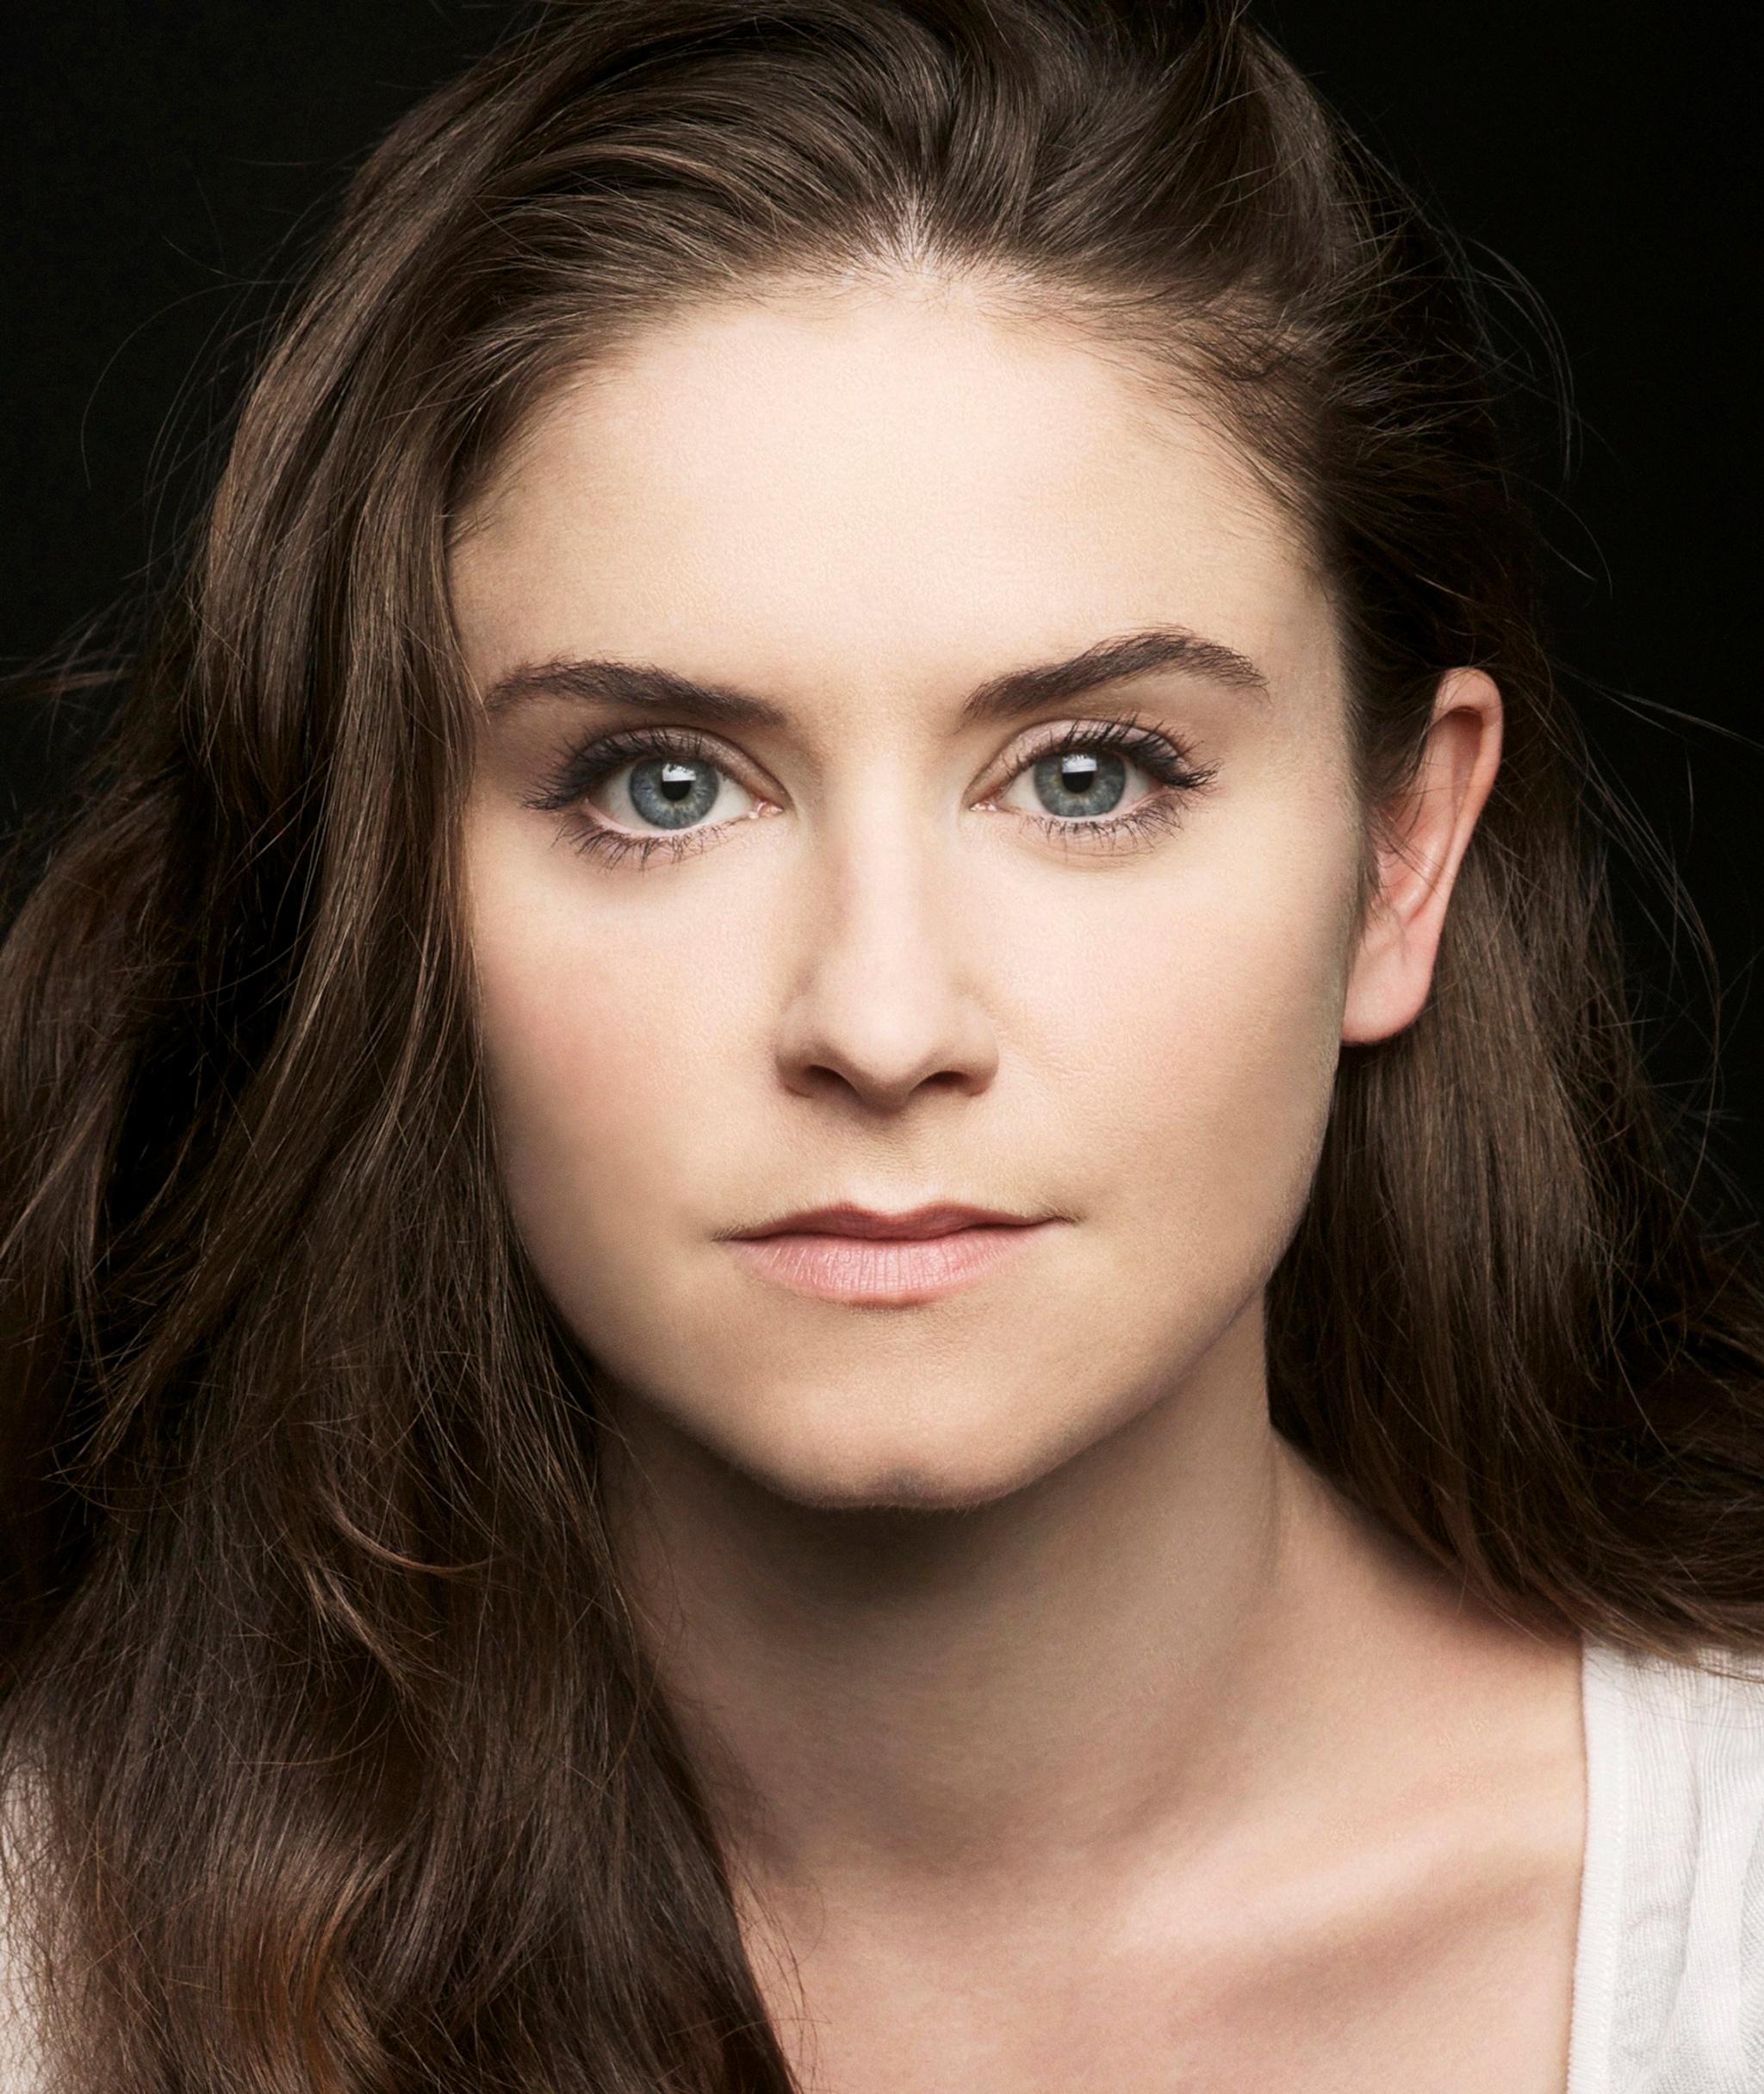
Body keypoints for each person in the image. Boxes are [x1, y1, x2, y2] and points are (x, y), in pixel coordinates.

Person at [1, 0, 1761, 2086]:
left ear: (1401, 856)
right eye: (661, 784)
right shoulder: (53, 1966)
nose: (882, 1020)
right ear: (399, 891)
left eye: (1090, 774)